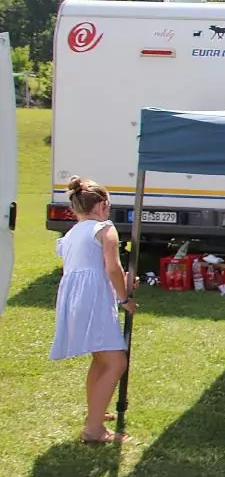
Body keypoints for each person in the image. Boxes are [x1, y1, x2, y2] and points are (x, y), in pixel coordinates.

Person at [52, 176, 138, 444]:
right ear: (101, 205)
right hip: (93, 301)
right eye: (108, 204)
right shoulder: (105, 228)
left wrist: (120, 285)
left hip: (75, 300)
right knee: (116, 362)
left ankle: (96, 413)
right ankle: (93, 429)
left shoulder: (71, 234)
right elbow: (111, 268)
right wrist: (125, 299)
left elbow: (94, 270)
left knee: (101, 360)